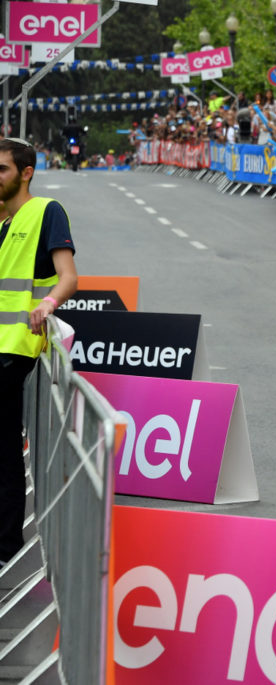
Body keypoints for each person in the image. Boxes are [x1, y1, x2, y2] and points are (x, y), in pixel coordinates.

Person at [0, 137, 78, 568]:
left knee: (5, 449)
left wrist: (47, 304)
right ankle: (7, 542)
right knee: (6, 448)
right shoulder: (2, 222)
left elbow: (68, 276)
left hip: (14, 349)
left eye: (2, 170)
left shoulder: (46, 211)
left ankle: (7, 545)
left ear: (26, 172)